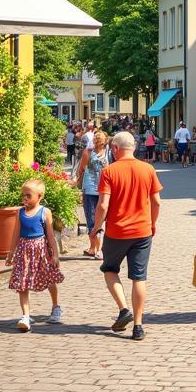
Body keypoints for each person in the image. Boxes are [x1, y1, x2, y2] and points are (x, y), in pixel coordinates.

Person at [89, 131, 163, 341]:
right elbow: (157, 202)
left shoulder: (109, 171)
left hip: (117, 231)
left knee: (110, 269)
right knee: (139, 277)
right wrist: (152, 223)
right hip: (142, 231)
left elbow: (103, 205)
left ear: (115, 149)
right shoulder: (148, 169)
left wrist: (95, 229)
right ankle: (138, 325)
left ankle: (123, 309)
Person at [6, 178, 64, 331]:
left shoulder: (45, 212)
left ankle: (55, 306)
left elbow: (50, 235)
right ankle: (25, 316)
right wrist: (10, 253)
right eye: (23, 195)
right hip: (24, 252)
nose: (24, 198)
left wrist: (56, 255)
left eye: (28, 196)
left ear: (40, 196)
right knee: (22, 283)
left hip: (41, 252)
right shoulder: (20, 213)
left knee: (49, 279)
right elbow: (15, 234)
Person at [75, 129, 112, 257]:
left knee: (100, 218)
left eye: (99, 140)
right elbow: (81, 170)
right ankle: (94, 248)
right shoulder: (88, 152)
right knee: (91, 218)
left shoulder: (109, 153)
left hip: (105, 189)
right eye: (95, 139)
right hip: (90, 189)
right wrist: (76, 183)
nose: (96, 142)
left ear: (104, 142)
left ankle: (98, 248)